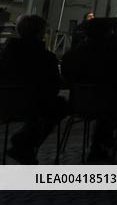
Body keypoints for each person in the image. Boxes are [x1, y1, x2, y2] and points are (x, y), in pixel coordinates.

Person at [61, 17, 117, 161]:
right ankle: (105, 144)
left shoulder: (73, 54)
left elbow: (67, 77)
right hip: (111, 104)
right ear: (109, 33)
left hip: (79, 103)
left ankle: (102, 144)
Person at [0, 15, 67, 165]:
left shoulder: (5, 54)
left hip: (5, 103)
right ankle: (24, 143)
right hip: (33, 105)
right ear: (40, 32)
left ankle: (24, 145)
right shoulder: (46, 57)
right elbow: (54, 86)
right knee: (60, 105)